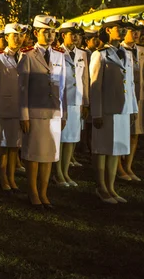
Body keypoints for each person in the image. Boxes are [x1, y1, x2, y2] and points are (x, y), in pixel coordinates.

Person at [18, 15, 66, 209]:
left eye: (53, 31)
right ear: (36, 33)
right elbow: (22, 88)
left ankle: (44, 192)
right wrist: (24, 115)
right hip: (35, 112)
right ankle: (33, 192)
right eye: (46, 31)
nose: (50, 35)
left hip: (53, 112)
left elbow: (63, 87)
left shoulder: (59, 55)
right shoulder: (28, 55)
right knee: (33, 154)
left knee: (49, 154)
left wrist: (63, 113)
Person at [90, 15, 138, 204]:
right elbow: (95, 86)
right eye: (119, 27)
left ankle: (111, 187)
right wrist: (97, 113)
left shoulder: (126, 53)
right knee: (102, 149)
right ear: (108, 30)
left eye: (125, 28)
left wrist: (133, 108)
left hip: (122, 109)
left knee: (116, 149)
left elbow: (131, 84)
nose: (124, 31)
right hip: (107, 109)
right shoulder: (99, 54)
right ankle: (101, 187)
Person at [0, 23, 23, 192]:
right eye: (14, 35)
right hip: (4, 109)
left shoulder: (26, 56)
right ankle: (3, 178)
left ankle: (12, 176)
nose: (18, 38)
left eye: (20, 35)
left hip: (20, 109)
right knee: (3, 146)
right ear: (6, 38)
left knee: (15, 146)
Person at [53, 22, 89, 187]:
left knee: (72, 139)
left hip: (76, 101)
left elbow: (84, 79)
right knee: (60, 139)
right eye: (70, 33)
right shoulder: (57, 53)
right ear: (63, 35)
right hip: (62, 101)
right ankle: (57, 172)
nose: (75, 37)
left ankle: (66, 172)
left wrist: (85, 102)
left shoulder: (82, 53)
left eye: (77, 34)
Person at [116, 19, 142, 181]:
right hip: (123, 97)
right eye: (132, 30)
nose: (137, 33)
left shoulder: (140, 50)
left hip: (139, 97)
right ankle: (119, 167)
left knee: (135, 133)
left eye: (138, 31)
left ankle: (128, 166)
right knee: (121, 133)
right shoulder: (118, 51)